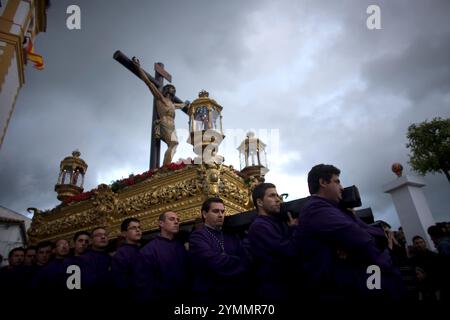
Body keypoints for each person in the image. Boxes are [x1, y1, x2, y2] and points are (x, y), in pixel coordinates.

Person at [294, 164, 404, 301]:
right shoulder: (316, 209)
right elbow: (361, 240)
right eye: (337, 182)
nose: (341, 188)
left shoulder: (335, 209)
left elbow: (372, 236)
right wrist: (382, 250)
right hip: (342, 290)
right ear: (323, 182)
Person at [189, 197, 251, 302]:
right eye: (215, 211)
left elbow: (246, 256)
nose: (221, 215)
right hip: (210, 295)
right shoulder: (197, 237)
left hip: (234, 294)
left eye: (222, 211)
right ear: (204, 214)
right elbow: (212, 262)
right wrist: (240, 262)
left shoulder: (231, 235)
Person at [131, 57, 189, 165]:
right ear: (167, 90)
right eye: (172, 88)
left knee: (174, 144)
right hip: (164, 122)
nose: (174, 90)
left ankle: (167, 164)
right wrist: (138, 67)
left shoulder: (172, 104)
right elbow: (148, 83)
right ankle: (165, 167)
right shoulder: (160, 98)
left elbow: (181, 105)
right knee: (174, 142)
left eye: (174, 89)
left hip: (172, 125)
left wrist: (186, 104)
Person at [247, 182, 298, 302]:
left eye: (277, 195)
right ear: (259, 202)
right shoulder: (260, 226)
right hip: (274, 291)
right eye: (272, 196)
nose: (278, 199)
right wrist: (295, 229)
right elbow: (288, 250)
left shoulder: (276, 222)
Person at [141, 211, 190, 302]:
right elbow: (146, 283)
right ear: (161, 223)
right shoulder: (148, 250)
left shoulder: (181, 246)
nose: (176, 222)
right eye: (171, 219)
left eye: (177, 220)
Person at [111, 218, 146, 299]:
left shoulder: (144, 250)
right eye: (133, 228)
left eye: (139, 227)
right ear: (124, 233)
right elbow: (120, 283)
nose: (138, 230)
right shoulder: (121, 254)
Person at [79, 227, 112, 294]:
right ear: (91, 240)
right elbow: (90, 284)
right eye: (99, 235)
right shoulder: (85, 258)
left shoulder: (109, 256)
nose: (103, 237)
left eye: (105, 235)